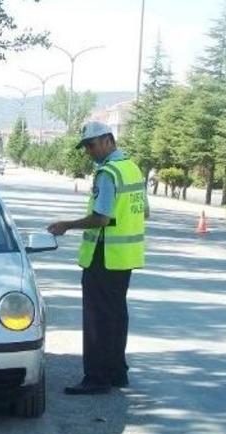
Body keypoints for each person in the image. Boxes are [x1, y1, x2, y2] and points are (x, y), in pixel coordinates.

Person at [47, 121, 149, 395]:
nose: (89, 151)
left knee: (97, 320)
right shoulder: (132, 168)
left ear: (107, 140)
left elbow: (101, 217)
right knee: (116, 315)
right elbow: (144, 212)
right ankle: (117, 372)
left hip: (104, 255)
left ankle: (96, 378)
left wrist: (67, 224)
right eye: (86, 147)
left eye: (91, 145)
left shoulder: (107, 172)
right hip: (124, 257)